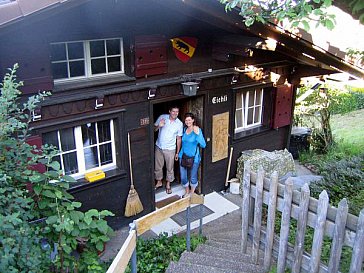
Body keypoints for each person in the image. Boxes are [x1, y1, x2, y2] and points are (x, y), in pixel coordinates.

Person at [154, 106, 183, 194]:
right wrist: (159, 126)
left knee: (170, 168)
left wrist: (177, 152)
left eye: (177, 112)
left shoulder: (179, 124)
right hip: (159, 146)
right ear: (169, 111)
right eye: (173, 111)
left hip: (170, 149)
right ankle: (159, 182)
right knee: (158, 166)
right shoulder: (162, 117)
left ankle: (168, 184)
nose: (175, 113)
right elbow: (153, 129)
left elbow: (179, 139)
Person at [178, 112, 206, 197]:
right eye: (186, 120)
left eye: (189, 120)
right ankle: (187, 191)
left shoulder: (197, 130)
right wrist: (178, 153)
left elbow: (203, 145)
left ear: (193, 120)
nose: (187, 122)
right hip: (182, 156)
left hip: (194, 158)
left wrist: (197, 134)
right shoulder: (184, 129)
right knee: (183, 176)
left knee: (193, 176)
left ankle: (192, 192)